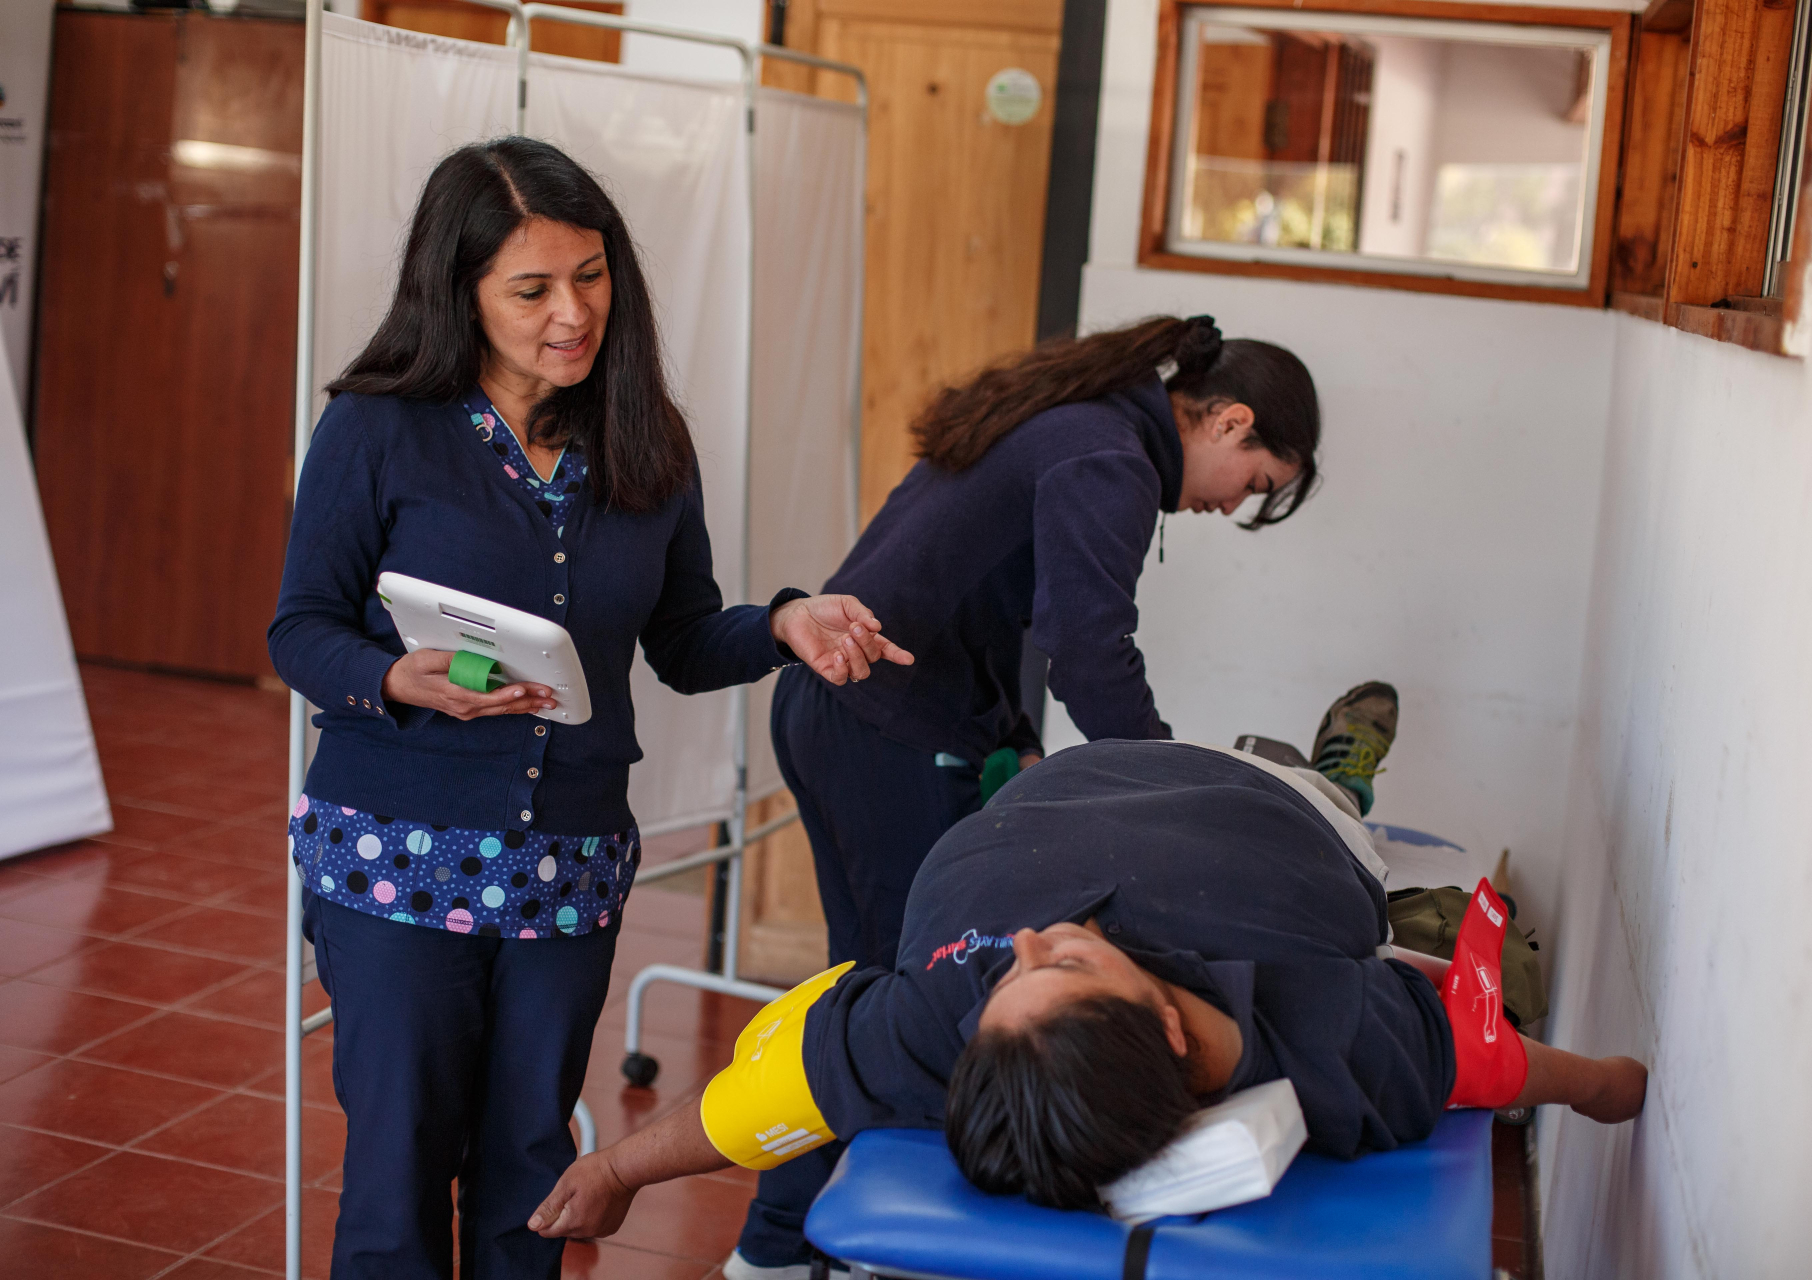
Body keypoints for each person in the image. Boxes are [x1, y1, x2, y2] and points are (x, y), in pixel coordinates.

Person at [269, 137, 910, 1280]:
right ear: (459, 292)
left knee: (533, 1160)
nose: (573, 313)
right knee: (399, 1161)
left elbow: (683, 638)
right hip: (395, 849)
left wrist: (782, 624)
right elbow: (300, 628)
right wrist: (396, 678)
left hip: (568, 860)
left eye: (592, 275)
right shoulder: (377, 426)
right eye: (532, 289)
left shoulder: (646, 436)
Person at [738, 315, 1349, 1276]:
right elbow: (1089, 653)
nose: (1232, 505)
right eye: (1254, 483)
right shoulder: (1107, 456)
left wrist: (1017, 742)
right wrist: (1178, 792)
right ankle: (789, 1247)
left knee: (869, 984)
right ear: (1231, 421)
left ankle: (785, 1244)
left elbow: (984, 602)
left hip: (848, 713)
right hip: (882, 731)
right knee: (902, 1006)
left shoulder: (1080, 421)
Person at [527, 726, 1647, 1246]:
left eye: (1034, 968)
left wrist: (615, 1168)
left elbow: (752, 1099)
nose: (1020, 945)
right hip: (1226, 810)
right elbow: (1492, 1060)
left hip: (1196, 797)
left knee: (1348, 837)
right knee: (1358, 864)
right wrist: (1610, 1084)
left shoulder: (938, 1023)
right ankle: (1328, 775)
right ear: (1166, 1019)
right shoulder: (1338, 1033)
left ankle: (1329, 771)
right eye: (1054, 964)